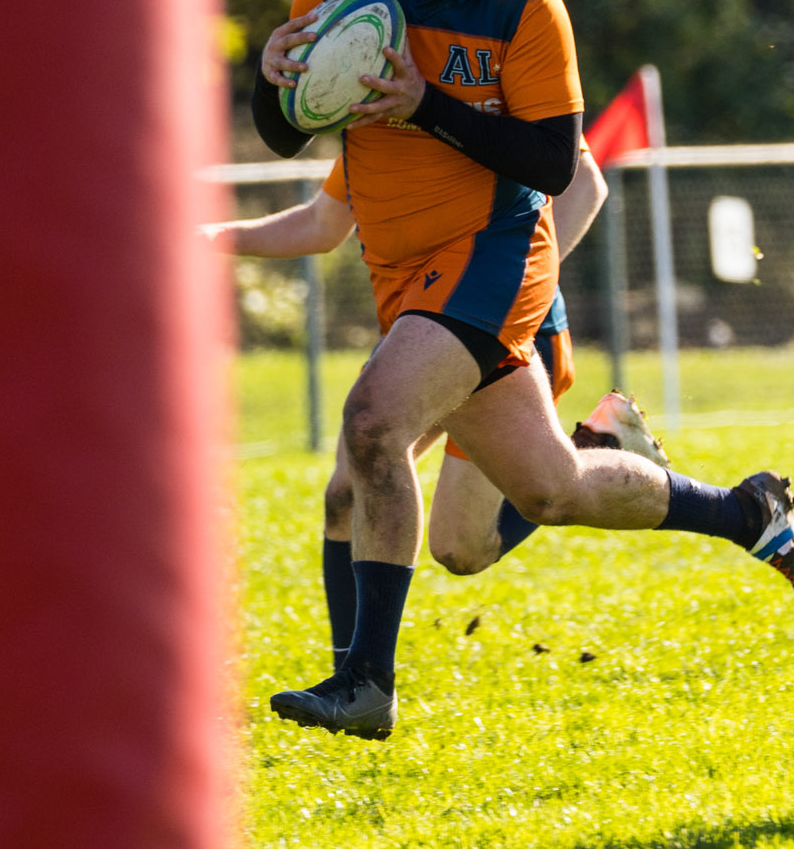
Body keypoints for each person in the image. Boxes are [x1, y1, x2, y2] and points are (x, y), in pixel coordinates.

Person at [251, 0, 794, 739]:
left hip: (496, 262)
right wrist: (270, 75)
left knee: (371, 430)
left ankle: (362, 683)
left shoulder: (524, 1)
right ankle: (739, 508)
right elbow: (287, 129)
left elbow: (555, 161)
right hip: (405, 276)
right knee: (536, 499)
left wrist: (426, 105)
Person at [206, 145, 672, 672]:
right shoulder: (374, 121)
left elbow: (586, 180)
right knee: (344, 494)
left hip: (511, 337)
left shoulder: (469, 84)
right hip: (428, 338)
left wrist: (511, 286)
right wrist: (209, 237)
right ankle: (350, 678)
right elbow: (320, 224)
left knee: (463, 550)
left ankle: (600, 451)